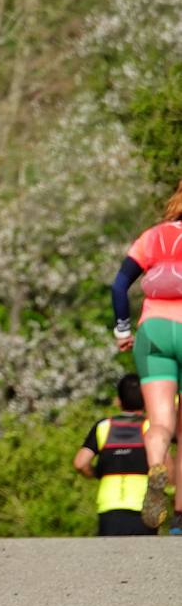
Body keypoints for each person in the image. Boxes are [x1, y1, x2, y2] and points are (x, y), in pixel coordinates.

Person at [110, 180, 182, 530]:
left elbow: (119, 284)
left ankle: (156, 465)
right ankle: (181, 518)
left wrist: (123, 330)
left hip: (152, 331)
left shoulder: (153, 236)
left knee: (161, 423)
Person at [74, 373, 153, 536]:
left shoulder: (103, 426)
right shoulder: (151, 428)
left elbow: (80, 463)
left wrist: (96, 473)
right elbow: (165, 466)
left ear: (118, 400)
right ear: (148, 399)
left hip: (109, 506)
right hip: (145, 505)